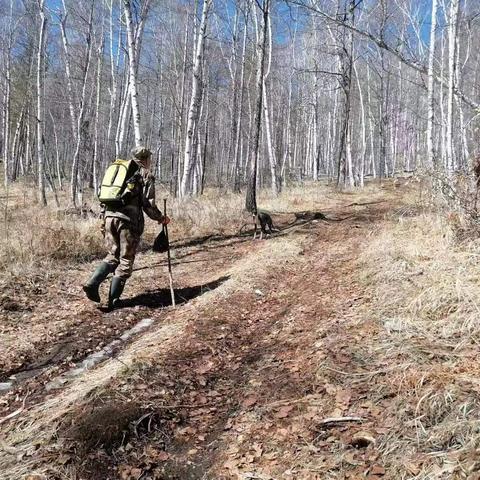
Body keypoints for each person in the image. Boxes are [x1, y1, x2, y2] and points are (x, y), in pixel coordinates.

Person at [83, 146, 170, 309]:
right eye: (150, 158)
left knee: (113, 254)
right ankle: (113, 301)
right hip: (128, 223)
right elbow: (148, 204)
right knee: (125, 260)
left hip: (109, 218)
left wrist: (104, 220)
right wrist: (161, 218)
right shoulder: (144, 174)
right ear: (146, 159)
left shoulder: (118, 170)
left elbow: (104, 198)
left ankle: (92, 283)